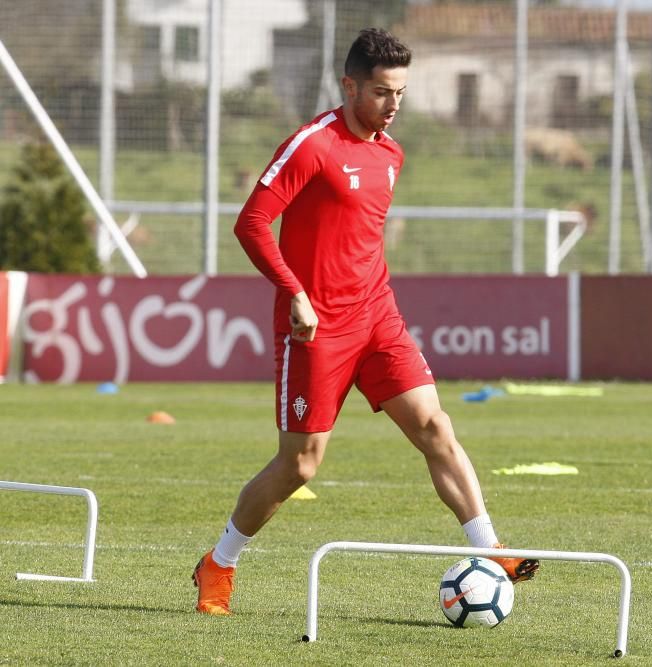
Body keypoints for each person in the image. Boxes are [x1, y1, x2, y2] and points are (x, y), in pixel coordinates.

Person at [192, 28, 538, 616]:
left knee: (434, 425)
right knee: (300, 464)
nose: (394, 104)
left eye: (400, 92)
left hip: (378, 316)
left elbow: (358, 239)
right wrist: (295, 294)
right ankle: (218, 564)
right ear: (349, 85)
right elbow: (251, 223)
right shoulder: (311, 145)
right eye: (381, 92)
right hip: (315, 329)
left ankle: (491, 547)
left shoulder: (391, 153)